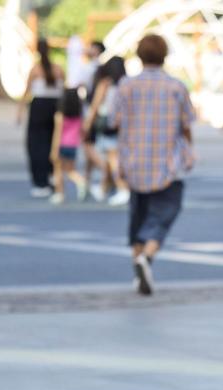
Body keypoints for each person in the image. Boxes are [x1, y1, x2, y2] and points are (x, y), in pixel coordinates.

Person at [114, 34, 194, 296]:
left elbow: (116, 123)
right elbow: (186, 125)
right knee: (164, 213)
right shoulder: (176, 87)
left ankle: (138, 272)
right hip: (167, 164)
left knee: (137, 218)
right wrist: (189, 152)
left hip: (135, 161)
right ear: (164, 55)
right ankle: (146, 257)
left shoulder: (126, 86)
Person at [18, 38, 64, 199]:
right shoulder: (58, 69)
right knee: (53, 142)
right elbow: (63, 90)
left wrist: (19, 112)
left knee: (36, 145)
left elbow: (27, 91)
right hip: (55, 107)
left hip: (39, 107)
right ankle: (52, 176)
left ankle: (41, 181)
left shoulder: (36, 69)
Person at [86, 56, 128, 205]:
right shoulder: (126, 84)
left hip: (107, 123)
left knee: (112, 158)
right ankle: (104, 188)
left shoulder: (105, 84)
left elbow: (95, 106)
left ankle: (122, 188)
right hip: (123, 124)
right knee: (113, 158)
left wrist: (87, 124)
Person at [48, 88, 88, 205]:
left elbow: (57, 134)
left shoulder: (60, 116)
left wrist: (54, 150)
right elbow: (82, 130)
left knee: (58, 170)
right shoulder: (78, 116)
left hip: (62, 145)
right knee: (71, 170)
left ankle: (60, 193)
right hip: (73, 145)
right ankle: (81, 181)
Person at [80, 41, 106, 193]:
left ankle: (108, 172)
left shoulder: (91, 68)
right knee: (88, 146)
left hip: (90, 111)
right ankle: (87, 180)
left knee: (88, 144)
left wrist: (88, 119)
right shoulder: (100, 68)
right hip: (94, 111)